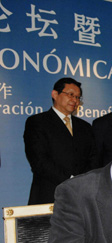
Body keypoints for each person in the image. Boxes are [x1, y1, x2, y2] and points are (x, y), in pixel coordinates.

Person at [23, 77, 97, 205]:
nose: (75, 100)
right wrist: (71, 180)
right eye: (71, 95)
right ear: (55, 94)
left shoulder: (85, 127)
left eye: (78, 97)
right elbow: (39, 161)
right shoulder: (37, 122)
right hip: (49, 196)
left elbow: (93, 159)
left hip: (82, 197)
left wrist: (84, 182)